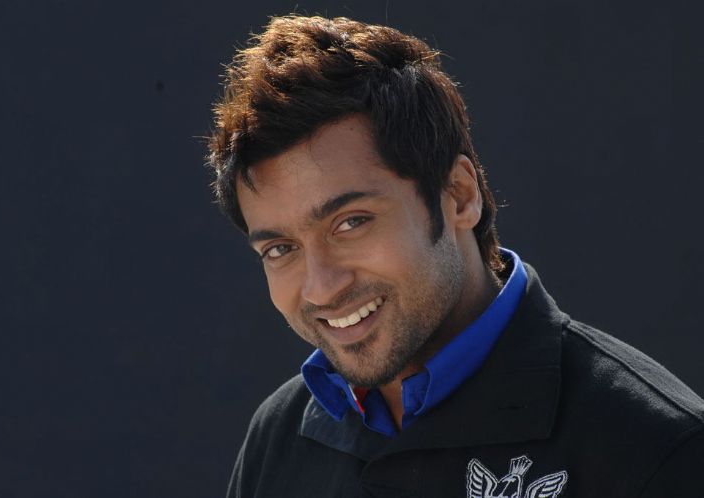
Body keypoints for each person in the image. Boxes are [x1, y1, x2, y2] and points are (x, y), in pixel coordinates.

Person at [207, 15, 704, 498]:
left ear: (460, 196)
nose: (321, 287)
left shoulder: (656, 449)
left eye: (351, 222)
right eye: (280, 249)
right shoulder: (277, 438)